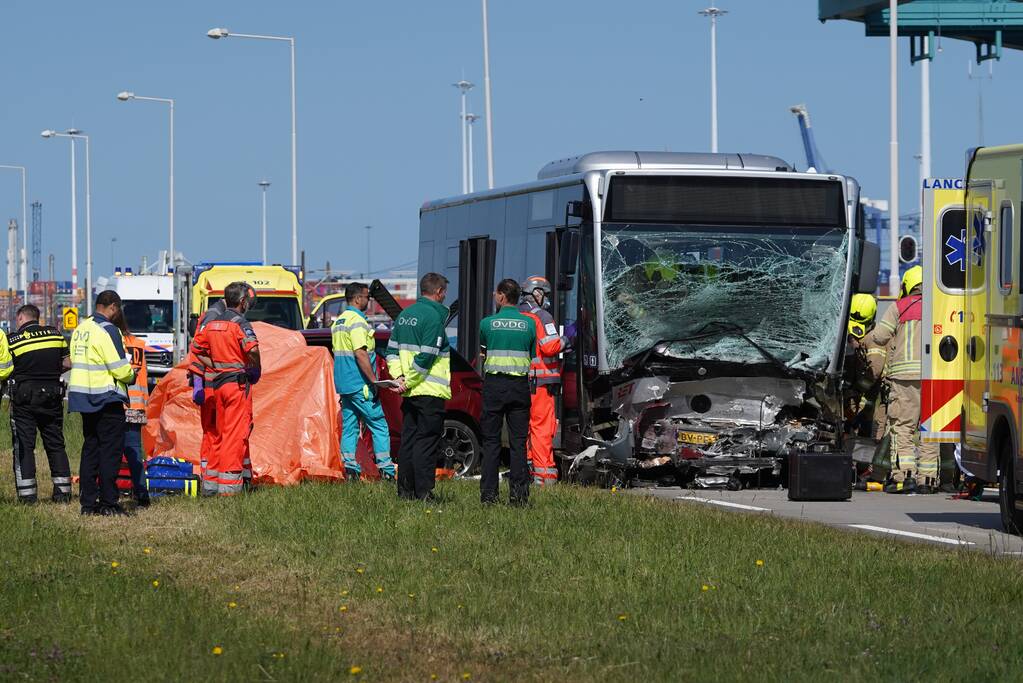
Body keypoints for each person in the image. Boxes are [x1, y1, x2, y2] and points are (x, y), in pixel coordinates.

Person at [869, 266, 938, 494]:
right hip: (934, 378)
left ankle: (904, 477)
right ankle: (927, 480)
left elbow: (880, 337)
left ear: (907, 285)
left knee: (903, 427)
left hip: (904, 379)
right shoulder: (938, 306)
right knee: (930, 430)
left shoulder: (899, 306)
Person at [69, 291, 137, 516]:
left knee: (90, 450)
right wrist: (132, 375)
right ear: (113, 307)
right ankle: (108, 502)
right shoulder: (108, 330)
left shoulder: (81, 329)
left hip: (84, 399)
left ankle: (88, 504)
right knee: (110, 453)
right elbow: (119, 368)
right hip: (107, 399)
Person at [190, 282, 260, 496]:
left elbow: (196, 349)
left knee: (218, 434)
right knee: (235, 435)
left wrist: (214, 364)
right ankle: (229, 488)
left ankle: (210, 485)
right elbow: (252, 349)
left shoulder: (212, 323)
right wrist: (255, 366)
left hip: (218, 385)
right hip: (236, 385)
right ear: (242, 301)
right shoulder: (240, 324)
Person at [385, 272, 451, 501]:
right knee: (427, 442)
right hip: (429, 391)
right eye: (444, 293)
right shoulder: (433, 317)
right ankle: (424, 492)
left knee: (409, 441)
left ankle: (405, 491)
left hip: (409, 392)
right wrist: (409, 381)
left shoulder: (404, 315)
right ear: (439, 292)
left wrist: (399, 378)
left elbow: (391, 352)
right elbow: (427, 356)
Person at [2, 305, 72, 503]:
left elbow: (7, 367)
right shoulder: (55, 334)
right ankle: (63, 493)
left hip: (24, 400)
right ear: (37, 317)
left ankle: (28, 496)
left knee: (24, 446)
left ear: (21, 317)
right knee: (55, 443)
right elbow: (67, 363)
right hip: (52, 396)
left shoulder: (13, 340)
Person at [479, 279, 536, 506]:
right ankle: (519, 497)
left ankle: (489, 496)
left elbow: (484, 352)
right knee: (518, 443)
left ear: (502, 296)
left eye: (496, 294)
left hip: (494, 385)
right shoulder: (529, 323)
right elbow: (531, 354)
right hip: (519, 387)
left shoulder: (487, 323)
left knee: (491, 442)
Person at [332, 281, 395, 481]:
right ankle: (386, 470)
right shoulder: (357, 322)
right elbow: (360, 353)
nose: (369, 301)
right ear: (358, 298)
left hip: (345, 385)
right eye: (368, 297)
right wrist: (374, 381)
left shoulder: (339, 322)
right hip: (360, 384)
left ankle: (351, 470)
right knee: (379, 425)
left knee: (350, 427)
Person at [518, 276, 569, 487]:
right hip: (540, 383)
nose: (546, 299)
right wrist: (566, 339)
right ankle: (545, 475)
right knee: (542, 428)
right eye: (545, 294)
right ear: (536, 293)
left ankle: (527, 470)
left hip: (520, 382)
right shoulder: (542, 316)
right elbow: (550, 347)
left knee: (524, 428)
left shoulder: (516, 315)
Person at [188, 297, 229, 482]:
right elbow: (199, 350)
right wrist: (198, 383)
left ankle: (209, 474)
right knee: (215, 432)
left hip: (213, 386)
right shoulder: (215, 317)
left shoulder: (213, 316)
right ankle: (211, 475)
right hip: (213, 388)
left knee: (213, 432)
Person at [117, 313, 151, 507]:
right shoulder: (139, 344)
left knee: (110, 450)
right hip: (136, 406)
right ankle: (142, 493)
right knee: (134, 452)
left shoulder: (113, 344)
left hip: (116, 405)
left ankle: (108, 490)